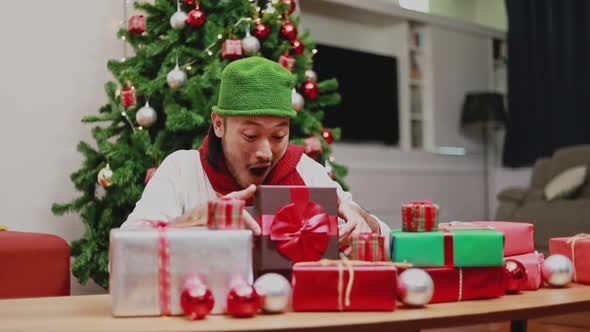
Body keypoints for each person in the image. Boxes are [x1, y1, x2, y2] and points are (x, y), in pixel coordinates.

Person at [121, 56, 390, 245]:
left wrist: (364, 220)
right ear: (218, 124)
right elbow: (123, 253)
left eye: (278, 135)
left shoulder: (303, 170)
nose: (266, 152)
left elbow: (384, 238)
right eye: (250, 135)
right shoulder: (182, 169)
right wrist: (195, 223)